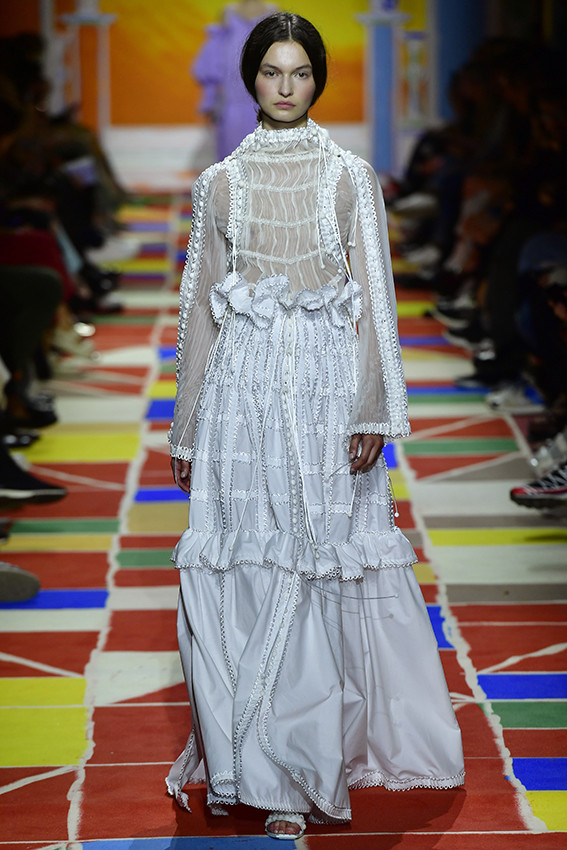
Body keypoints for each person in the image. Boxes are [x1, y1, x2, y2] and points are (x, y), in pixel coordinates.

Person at [168, 12, 464, 840]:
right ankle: (257, 767)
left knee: (318, 566)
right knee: (244, 566)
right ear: (251, 80)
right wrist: (187, 428)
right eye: (272, 72)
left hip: (327, 390)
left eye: (299, 72)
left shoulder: (347, 176)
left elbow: (374, 298)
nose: (286, 86)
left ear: (317, 79)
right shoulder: (219, 184)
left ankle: (308, 760)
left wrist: (372, 407)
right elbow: (200, 313)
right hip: (240, 395)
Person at [192, 0, 277, 161]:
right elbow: (215, 50)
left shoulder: (273, 11)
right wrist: (211, 97)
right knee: (230, 154)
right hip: (232, 97)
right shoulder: (229, 12)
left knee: (263, 154)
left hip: (263, 95)